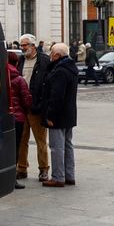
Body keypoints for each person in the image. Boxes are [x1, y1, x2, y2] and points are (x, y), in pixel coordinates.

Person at [41, 43, 79, 187]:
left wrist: (50, 115)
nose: (50, 56)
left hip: (58, 115)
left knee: (57, 147)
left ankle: (58, 177)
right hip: (69, 114)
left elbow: (56, 96)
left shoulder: (60, 71)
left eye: (51, 53)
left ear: (57, 55)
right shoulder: (70, 68)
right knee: (68, 145)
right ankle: (69, 175)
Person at [16, 34, 50, 183]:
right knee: (22, 140)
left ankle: (43, 170)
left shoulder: (44, 61)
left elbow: (48, 84)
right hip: (22, 107)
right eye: (22, 45)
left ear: (33, 46)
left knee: (40, 140)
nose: (22, 48)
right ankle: (22, 168)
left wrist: (43, 105)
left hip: (37, 106)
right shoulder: (20, 60)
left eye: (25, 45)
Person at [5, 51, 30, 190]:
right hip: (18, 117)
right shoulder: (19, 79)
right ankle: (12, 179)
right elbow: (26, 99)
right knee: (15, 148)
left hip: (3, 117)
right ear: (16, 63)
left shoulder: (1, 76)